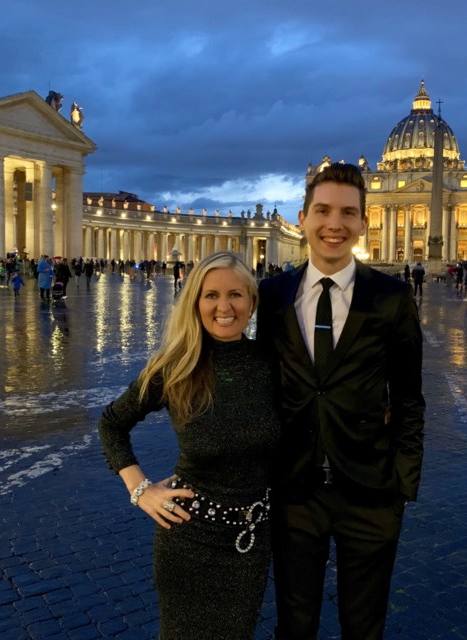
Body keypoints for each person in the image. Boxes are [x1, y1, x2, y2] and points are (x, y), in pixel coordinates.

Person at [256, 162, 425, 640]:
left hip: (371, 492)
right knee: (294, 623)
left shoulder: (391, 296)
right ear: (303, 217)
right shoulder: (271, 295)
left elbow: (410, 396)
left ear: (363, 223)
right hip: (294, 490)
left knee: (365, 626)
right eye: (324, 211)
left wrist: (401, 484)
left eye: (348, 213)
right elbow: (261, 383)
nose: (335, 224)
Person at [99, 251, 281, 640]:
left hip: (251, 541)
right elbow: (112, 423)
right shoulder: (176, 365)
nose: (224, 306)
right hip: (188, 540)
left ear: (252, 301)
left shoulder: (274, 363)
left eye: (235, 294)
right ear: (195, 302)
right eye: (210, 295)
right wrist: (140, 490)